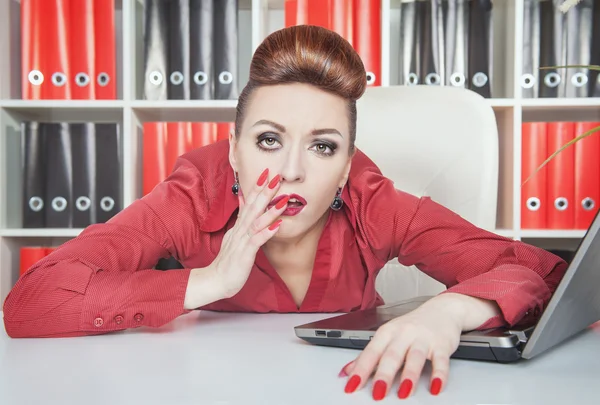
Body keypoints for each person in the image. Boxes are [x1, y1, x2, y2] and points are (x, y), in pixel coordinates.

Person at [3, 25, 567, 401]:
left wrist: (446, 312)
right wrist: (208, 280)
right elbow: (32, 302)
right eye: (269, 140)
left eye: (323, 146)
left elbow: (545, 271)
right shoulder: (190, 197)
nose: (292, 170)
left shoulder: (375, 204)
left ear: (347, 165)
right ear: (233, 149)